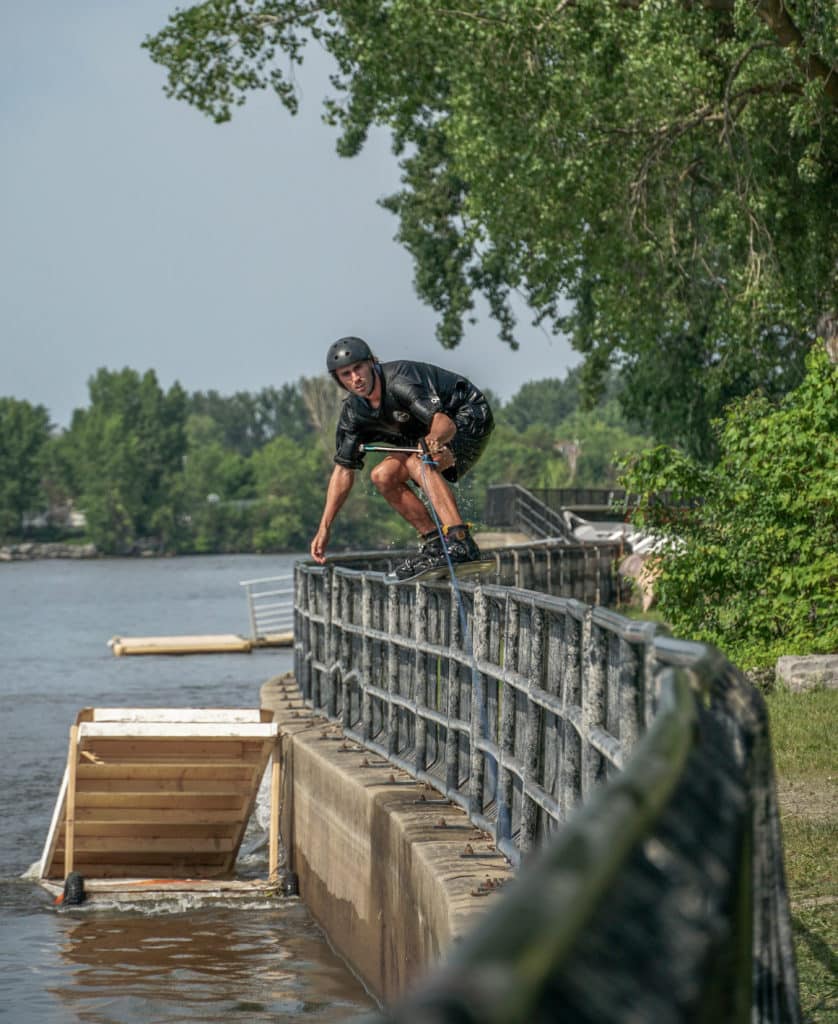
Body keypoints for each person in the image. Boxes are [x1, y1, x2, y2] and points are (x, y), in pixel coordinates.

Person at [310, 336, 494, 579]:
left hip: (468, 417)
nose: (355, 378)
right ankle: (435, 544)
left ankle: (460, 541)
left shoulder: (400, 381)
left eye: (358, 369)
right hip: (421, 433)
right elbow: (343, 471)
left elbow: (443, 422)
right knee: (382, 475)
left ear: (372, 363)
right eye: (346, 374)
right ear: (339, 379)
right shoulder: (353, 414)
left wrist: (434, 441)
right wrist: (325, 527)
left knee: (420, 460)